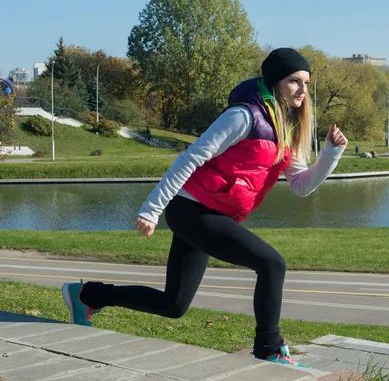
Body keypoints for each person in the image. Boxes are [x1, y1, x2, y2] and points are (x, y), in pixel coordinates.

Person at [61, 48, 348, 368]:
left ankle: (87, 295)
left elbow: (301, 186)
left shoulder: (287, 128)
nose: (302, 90)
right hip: (191, 210)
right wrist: (151, 209)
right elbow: (191, 157)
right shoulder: (244, 116)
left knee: (174, 305)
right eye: (294, 81)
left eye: (306, 83)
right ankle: (269, 349)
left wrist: (330, 155)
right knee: (272, 264)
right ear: (275, 82)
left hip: (211, 214)